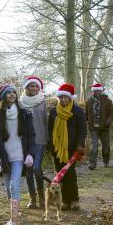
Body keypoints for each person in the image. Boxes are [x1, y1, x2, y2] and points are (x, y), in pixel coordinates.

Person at [0, 83, 35, 225]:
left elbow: (31, 136)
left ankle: (14, 223)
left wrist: (30, 154)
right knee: (8, 188)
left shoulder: (25, 113)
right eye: (8, 93)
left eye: (13, 92)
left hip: (19, 156)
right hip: (4, 157)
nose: (12, 94)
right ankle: (12, 216)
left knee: (14, 186)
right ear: (3, 96)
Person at [46, 83, 87, 211]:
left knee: (70, 173)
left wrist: (80, 144)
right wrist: (50, 145)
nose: (63, 100)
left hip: (72, 148)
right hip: (57, 149)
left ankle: (74, 200)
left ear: (70, 98)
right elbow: (50, 130)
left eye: (66, 97)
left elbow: (82, 129)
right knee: (60, 175)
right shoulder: (54, 112)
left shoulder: (78, 111)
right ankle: (64, 201)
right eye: (61, 97)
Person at [19, 75, 48, 209]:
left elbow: (45, 122)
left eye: (36, 86)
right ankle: (33, 198)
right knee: (29, 169)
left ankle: (42, 196)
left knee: (36, 168)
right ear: (27, 88)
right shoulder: (21, 102)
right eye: (32, 86)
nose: (34, 88)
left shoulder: (43, 102)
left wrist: (49, 140)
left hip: (40, 140)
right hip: (26, 141)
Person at [85, 83, 113, 169]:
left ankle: (106, 162)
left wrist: (108, 122)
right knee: (94, 146)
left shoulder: (108, 101)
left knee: (106, 145)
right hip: (93, 127)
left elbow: (112, 113)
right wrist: (85, 122)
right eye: (95, 90)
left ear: (102, 91)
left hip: (104, 127)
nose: (97, 92)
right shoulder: (89, 101)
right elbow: (86, 114)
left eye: (99, 90)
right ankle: (92, 164)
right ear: (93, 91)